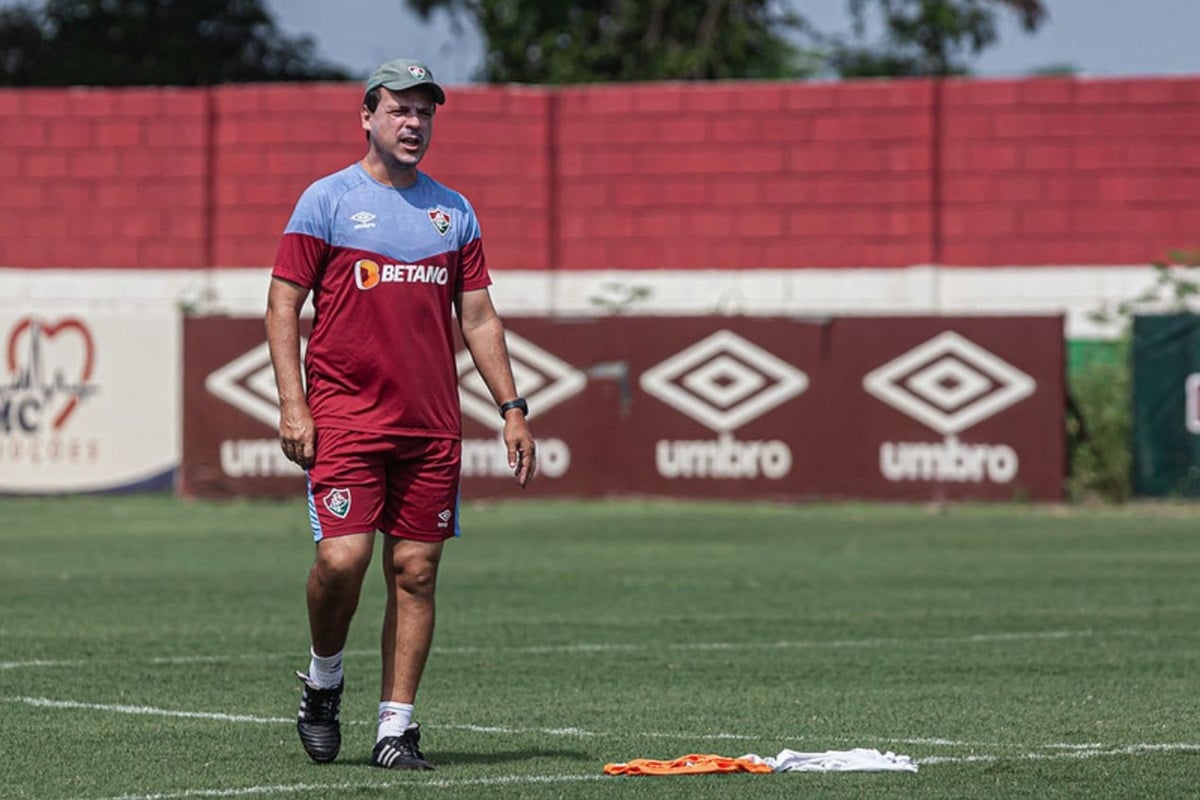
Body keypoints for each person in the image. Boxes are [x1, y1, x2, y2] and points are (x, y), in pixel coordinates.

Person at [265, 57, 536, 771]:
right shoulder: (325, 200)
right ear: (367, 116)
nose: (413, 123)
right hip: (345, 418)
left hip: (430, 426)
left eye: (425, 111)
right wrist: (293, 404)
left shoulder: (455, 211)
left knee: (416, 571)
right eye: (399, 110)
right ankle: (324, 680)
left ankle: (396, 728)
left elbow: (477, 317)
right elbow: (282, 303)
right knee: (341, 558)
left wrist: (511, 408)